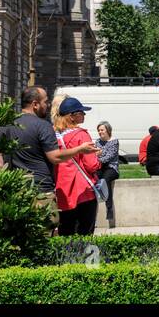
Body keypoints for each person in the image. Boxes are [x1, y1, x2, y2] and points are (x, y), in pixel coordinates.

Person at [0, 86, 98, 231]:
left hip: (15, 189)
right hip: (41, 191)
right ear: (35, 104)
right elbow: (55, 157)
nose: (48, 105)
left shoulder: (7, 125)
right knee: (45, 236)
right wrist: (80, 149)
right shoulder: (43, 126)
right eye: (45, 102)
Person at [51, 97, 103, 236]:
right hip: (83, 191)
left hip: (62, 191)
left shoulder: (52, 135)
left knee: (66, 231)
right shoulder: (81, 135)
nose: (84, 115)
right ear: (72, 116)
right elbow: (91, 165)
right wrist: (99, 159)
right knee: (85, 232)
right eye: (81, 112)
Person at [95, 121, 120, 229]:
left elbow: (109, 157)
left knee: (105, 180)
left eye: (102, 130)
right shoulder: (97, 142)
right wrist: (98, 155)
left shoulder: (114, 142)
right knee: (93, 178)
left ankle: (109, 209)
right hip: (101, 167)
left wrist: (99, 155)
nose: (100, 132)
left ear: (108, 130)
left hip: (112, 168)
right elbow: (95, 155)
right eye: (99, 130)